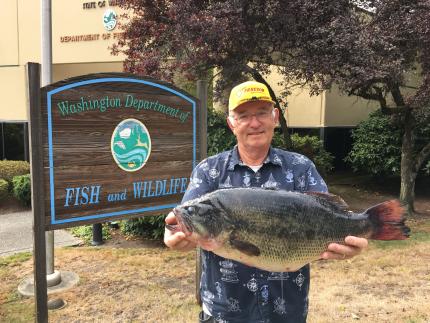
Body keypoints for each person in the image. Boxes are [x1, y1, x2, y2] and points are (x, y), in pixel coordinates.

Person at [164, 81, 368, 323]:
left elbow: (329, 217)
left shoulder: (300, 167)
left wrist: (355, 233)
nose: (254, 123)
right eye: (243, 115)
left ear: (275, 117)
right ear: (231, 123)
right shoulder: (209, 171)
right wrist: (177, 237)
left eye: (262, 113)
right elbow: (186, 221)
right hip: (224, 312)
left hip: (286, 310)